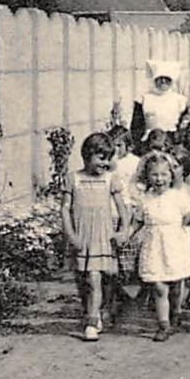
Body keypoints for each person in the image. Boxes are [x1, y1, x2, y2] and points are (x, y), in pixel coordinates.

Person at [59, 132, 130, 341]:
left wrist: (123, 231)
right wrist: (71, 235)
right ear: (87, 155)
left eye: (108, 158)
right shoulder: (74, 179)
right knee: (82, 280)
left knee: (95, 278)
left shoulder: (110, 179)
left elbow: (122, 208)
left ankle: (91, 322)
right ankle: (92, 311)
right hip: (81, 235)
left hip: (102, 235)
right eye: (101, 158)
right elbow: (64, 210)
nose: (105, 163)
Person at [130, 152, 190, 342]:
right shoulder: (145, 198)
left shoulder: (179, 196)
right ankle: (163, 325)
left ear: (171, 175)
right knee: (159, 287)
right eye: (155, 175)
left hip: (175, 245)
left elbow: (189, 218)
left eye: (164, 174)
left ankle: (176, 313)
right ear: (147, 176)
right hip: (154, 245)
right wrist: (127, 235)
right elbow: (138, 221)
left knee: (176, 286)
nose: (159, 179)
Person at [133, 62, 189, 152]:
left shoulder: (180, 100)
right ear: (154, 80)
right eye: (160, 78)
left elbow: (184, 125)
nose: (163, 81)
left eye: (167, 78)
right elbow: (136, 126)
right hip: (149, 141)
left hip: (172, 141)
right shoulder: (144, 99)